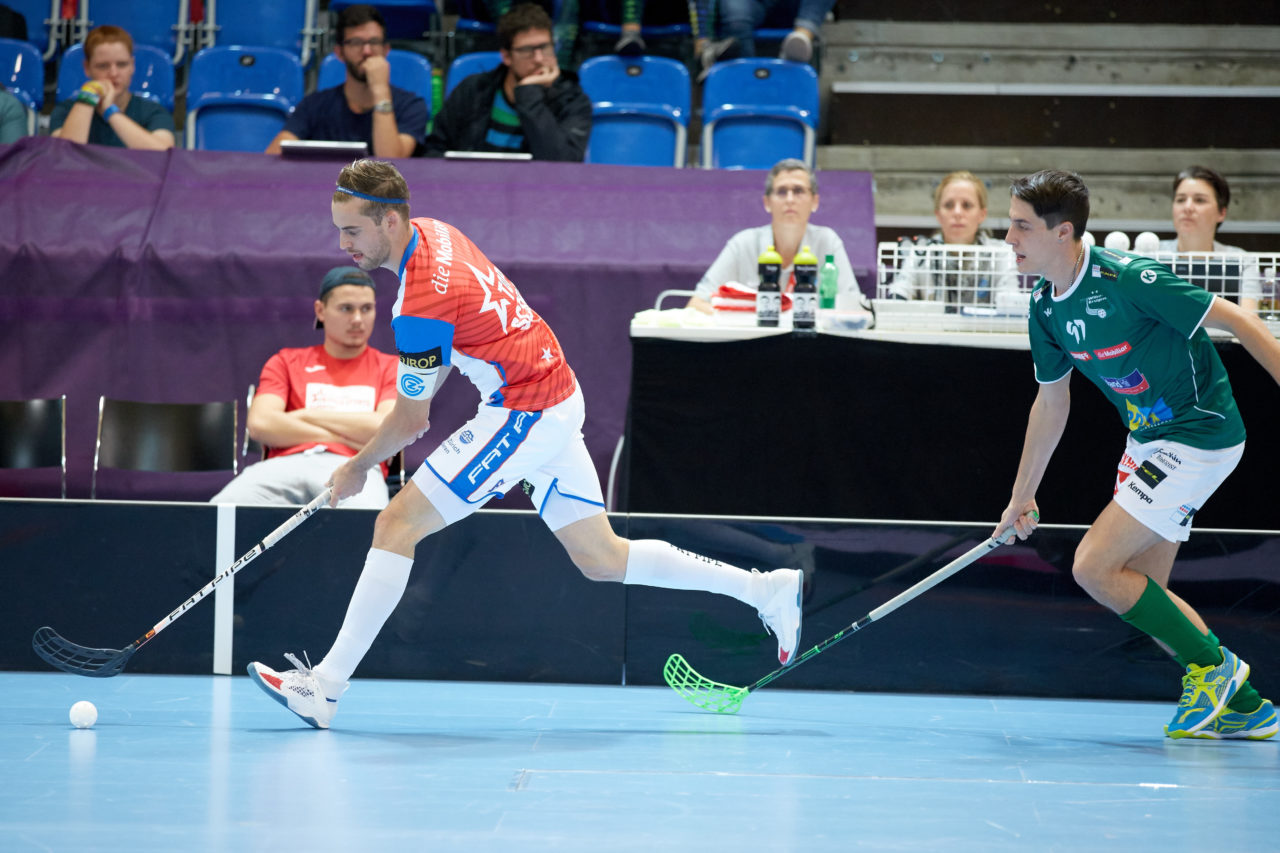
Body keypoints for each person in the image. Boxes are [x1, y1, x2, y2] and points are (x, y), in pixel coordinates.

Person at [246, 159, 802, 728]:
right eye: (339, 229)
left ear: (389, 221)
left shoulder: (418, 304)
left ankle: (325, 687)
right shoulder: (436, 232)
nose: (343, 244)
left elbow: (412, 420)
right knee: (602, 558)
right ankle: (765, 590)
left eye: (352, 230)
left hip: (525, 408)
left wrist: (359, 466)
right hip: (555, 393)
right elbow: (436, 368)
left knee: (395, 524)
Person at [996, 169, 1279, 741]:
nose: (1009, 238)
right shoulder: (1045, 307)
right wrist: (1020, 496)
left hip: (1200, 432)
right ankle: (1249, 708)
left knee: (1093, 566)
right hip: (1149, 439)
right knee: (1147, 598)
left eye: (1022, 226)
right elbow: (1051, 402)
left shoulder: (1130, 278)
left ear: (1063, 231)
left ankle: (1216, 670)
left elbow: (1241, 321)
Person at [210, 267, 397, 509]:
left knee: (366, 517)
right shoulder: (285, 361)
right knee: (222, 508)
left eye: (366, 309)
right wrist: (350, 437)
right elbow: (260, 424)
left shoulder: (391, 367)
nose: (358, 319)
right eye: (346, 308)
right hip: (285, 464)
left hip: (356, 467)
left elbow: (385, 428)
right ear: (320, 310)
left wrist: (305, 415)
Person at [688, 158, 865, 315]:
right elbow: (696, 304)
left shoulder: (828, 242)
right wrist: (744, 319)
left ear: (815, 201)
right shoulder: (743, 244)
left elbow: (854, 308)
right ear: (767, 202)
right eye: (781, 191)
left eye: (798, 191)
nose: (790, 199)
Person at [422, 3, 591, 161]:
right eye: (527, 50)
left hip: (537, 183)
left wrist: (528, 95)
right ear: (506, 56)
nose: (539, 59)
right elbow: (434, 150)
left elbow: (564, 164)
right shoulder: (473, 90)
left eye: (545, 47)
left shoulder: (573, 101)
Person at [265, 5, 427, 159]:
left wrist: (380, 91)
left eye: (374, 42)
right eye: (356, 42)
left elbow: (392, 161)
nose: (367, 51)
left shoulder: (411, 106)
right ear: (339, 52)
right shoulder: (313, 105)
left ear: (386, 50)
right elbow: (272, 157)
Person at [887, 170, 1021, 307]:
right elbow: (898, 293)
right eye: (949, 205)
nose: (957, 212)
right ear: (938, 215)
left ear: (982, 214)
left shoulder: (1001, 253)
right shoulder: (920, 252)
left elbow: (1010, 304)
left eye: (967, 205)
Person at [49, 26, 175, 150]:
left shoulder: (154, 112)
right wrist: (88, 96)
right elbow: (63, 155)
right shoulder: (65, 110)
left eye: (122, 64)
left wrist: (110, 111)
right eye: (103, 66)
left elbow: (164, 154)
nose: (113, 73)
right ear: (87, 68)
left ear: (132, 66)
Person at [1157, 165, 1260, 312]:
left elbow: (1249, 317)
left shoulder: (1242, 261)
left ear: (1221, 213)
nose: (1187, 207)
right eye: (1180, 199)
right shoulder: (1147, 256)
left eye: (1199, 200)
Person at [692, 0, 834, 78]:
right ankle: (748, 89)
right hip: (752, 5)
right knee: (736, 18)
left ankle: (800, 39)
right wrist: (702, 36)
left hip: (794, 6)